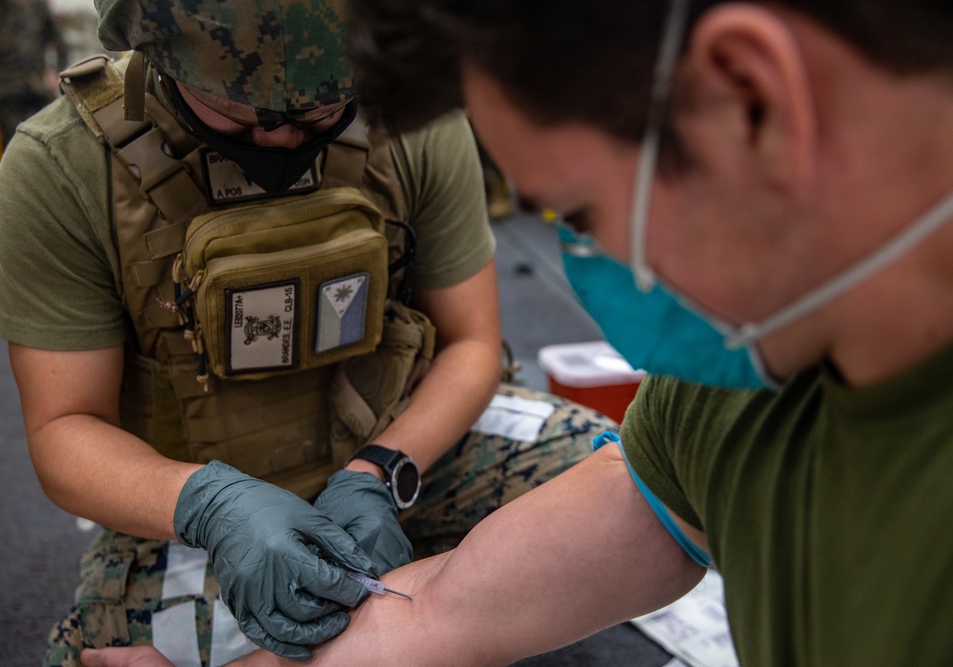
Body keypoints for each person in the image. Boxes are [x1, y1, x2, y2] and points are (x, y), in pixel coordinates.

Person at [80, 0, 953, 664]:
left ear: (751, 103)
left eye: (583, 210)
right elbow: (451, 608)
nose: (587, 260)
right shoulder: (733, 386)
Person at [0, 0, 612, 664]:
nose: (283, 140)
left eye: (318, 113)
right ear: (158, 57)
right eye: (238, 115)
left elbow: (473, 343)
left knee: (628, 486)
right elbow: (65, 429)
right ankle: (430, 595)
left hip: (404, 447)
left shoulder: (411, 118)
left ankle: (408, 599)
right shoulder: (65, 165)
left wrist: (382, 468)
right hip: (194, 503)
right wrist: (210, 504)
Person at [0, 0, 67, 147]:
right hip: (5, 90)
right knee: (14, 145)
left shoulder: (38, 5)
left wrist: (56, 72)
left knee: (50, 138)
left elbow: (58, 40)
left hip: (37, 87)